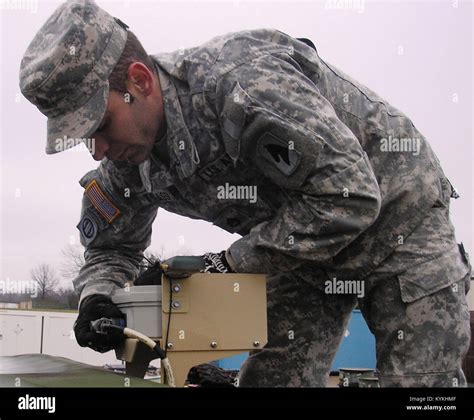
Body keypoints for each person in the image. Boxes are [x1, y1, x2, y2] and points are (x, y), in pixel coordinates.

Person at [20, 0, 471, 387]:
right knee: (271, 378)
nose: (96, 147)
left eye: (99, 124)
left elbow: (348, 195)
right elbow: (109, 248)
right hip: (301, 248)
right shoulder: (122, 164)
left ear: (139, 81)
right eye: (83, 136)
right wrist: (98, 296)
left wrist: (226, 265)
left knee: (423, 385)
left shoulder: (241, 85)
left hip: (399, 222)